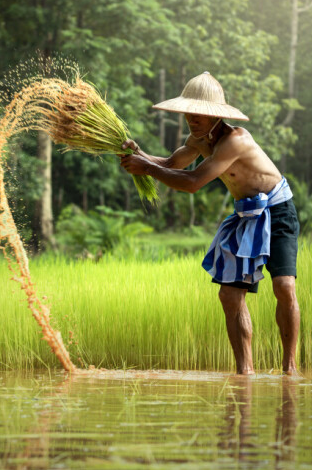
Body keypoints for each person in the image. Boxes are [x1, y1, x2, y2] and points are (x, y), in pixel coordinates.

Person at [119, 71, 300, 375]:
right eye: (188, 112)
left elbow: (192, 182)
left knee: (283, 286)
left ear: (216, 114)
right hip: (246, 214)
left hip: (278, 210)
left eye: (199, 112)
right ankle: (245, 373)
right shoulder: (197, 140)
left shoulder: (235, 140)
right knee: (229, 295)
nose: (192, 118)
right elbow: (171, 164)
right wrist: (138, 155)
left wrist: (145, 168)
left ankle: (289, 369)